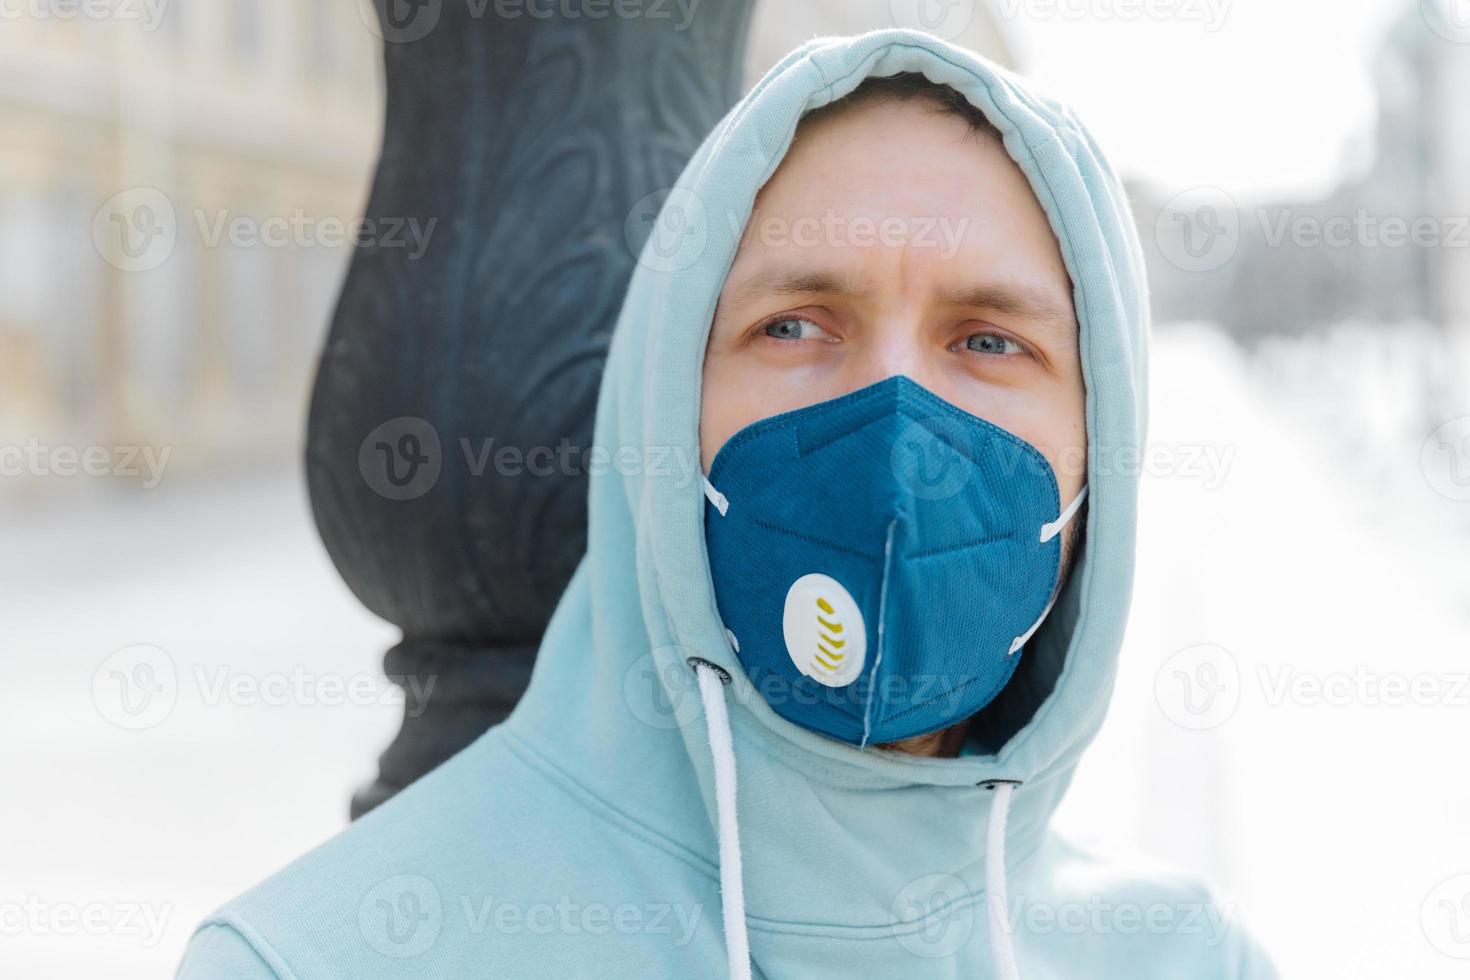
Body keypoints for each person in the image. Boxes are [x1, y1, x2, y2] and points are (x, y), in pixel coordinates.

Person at [176, 30, 1277, 979]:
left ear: (1101, 445)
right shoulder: (317, 958)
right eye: (796, 324)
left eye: (990, 340)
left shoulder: (1186, 956)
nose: (892, 430)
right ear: (667, 405)